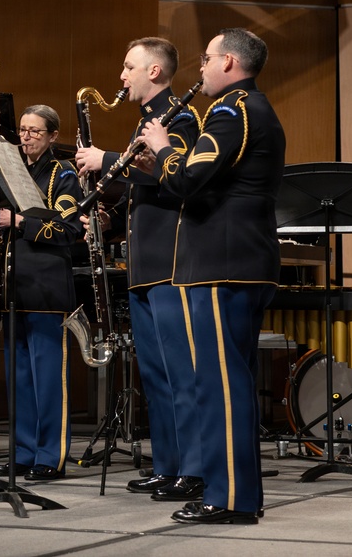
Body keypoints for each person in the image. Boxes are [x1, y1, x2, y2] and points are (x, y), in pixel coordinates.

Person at [138, 28, 285, 524]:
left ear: (228, 63)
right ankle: (230, 493)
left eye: (205, 59)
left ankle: (231, 498)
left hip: (223, 264)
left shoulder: (231, 110)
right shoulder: (248, 109)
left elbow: (186, 179)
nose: (199, 68)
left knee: (221, 386)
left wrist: (160, 146)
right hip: (237, 260)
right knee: (226, 383)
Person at [75, 37, 203, 502]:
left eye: (129, 67)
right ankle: (168, 465)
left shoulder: (182, 118)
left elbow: (179, 174)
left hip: (171, 265)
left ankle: (193, 468)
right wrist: (108, 214)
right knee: (154, 374)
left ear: (154, 72)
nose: (121, 76)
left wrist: (105, 159)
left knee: (179, 373)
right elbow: (144, 189)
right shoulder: (145, 124)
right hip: (143, 266)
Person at [0, 104, 83, 480]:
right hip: (13, 288)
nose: (26, 137)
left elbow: (69, 231)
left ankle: (49, 456)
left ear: (53, 136)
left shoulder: (63, 174)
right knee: (19, 378)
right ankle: (22, 452)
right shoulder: (8, 174)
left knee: (47, 380)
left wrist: (19, 220)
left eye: (35, 131)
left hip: (45, 290)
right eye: (22, 130)